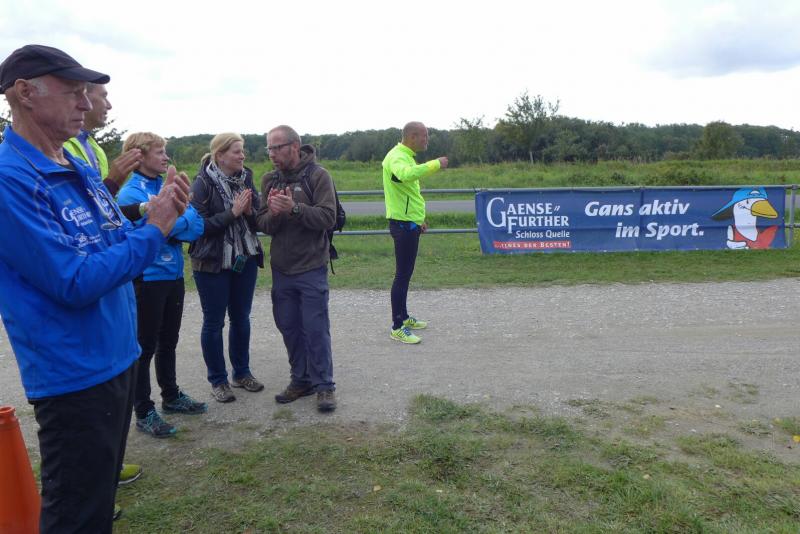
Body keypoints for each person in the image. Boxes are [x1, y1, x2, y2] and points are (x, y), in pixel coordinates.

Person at [0, 44, 190, 533]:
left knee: (98, 507)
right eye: (73, 92)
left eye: (87, 93)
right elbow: (74, 280)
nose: (86, 104)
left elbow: (112, 241)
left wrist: (156, 217)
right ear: (24, 94)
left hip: (116, 356)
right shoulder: (11, 180)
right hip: (74, 375)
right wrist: (156, 230)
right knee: (77, 517)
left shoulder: (75, 164)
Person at [63, 81, 143, 484]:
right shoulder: (63, 147)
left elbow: (103, 212)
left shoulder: (91, 146)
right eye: (102, 96)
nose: (106, 104)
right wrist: (114, 183)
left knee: (114, 389)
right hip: (85, 280)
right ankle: (98, 477)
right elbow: (80, 217)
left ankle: (111, 464)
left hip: (110, 281)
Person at [117, 132, 207, 437]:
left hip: (174, 275)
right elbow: (153, 229)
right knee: (144, 347)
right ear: (139, 155)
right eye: (159, 152)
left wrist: (171, 223)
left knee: (169, 340)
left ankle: (171, 396)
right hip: (148, 278)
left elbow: (196, 226)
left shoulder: (167, 185)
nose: (166, 157)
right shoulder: (130, 193)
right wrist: (170, 223)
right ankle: (144, 411)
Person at [256, 125, 337, 412]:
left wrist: (295, 209)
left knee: (315, 329)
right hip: (282, 268)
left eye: (276, 147)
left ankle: (324, 386)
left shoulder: (318, 175)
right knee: (289, 326)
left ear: (294, 146)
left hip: (311, 266)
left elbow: (328, 217)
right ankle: (301, 380)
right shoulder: (269, 180)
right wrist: (275, 213)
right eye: (269, 148)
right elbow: (262, 224)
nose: (271, 153)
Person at [190, 133, 265, 403]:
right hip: (211, 262)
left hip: (245, 257)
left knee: (241, 318)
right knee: (214, 322)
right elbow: (198, 227)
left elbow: (258, 221)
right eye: (236, 151)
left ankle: (242, 373)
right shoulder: (202, 183)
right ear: (220, 155)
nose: (242, 156)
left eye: (242, 150)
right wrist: (232, 213)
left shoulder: (246, 178)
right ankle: (218, 380)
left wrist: (250, 213)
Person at [382, 121, 448, 344]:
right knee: (402, 275)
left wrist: (419, 221)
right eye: (424, 136)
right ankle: (397, 327)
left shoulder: (406, 155)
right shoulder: (397, 157)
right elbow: (406, 175)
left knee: (406, 274)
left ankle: (404, 317)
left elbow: (408, 192)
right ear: (412, 136)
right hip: (402, 225)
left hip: (409, 223)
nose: (427, 140)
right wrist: (435, 164)